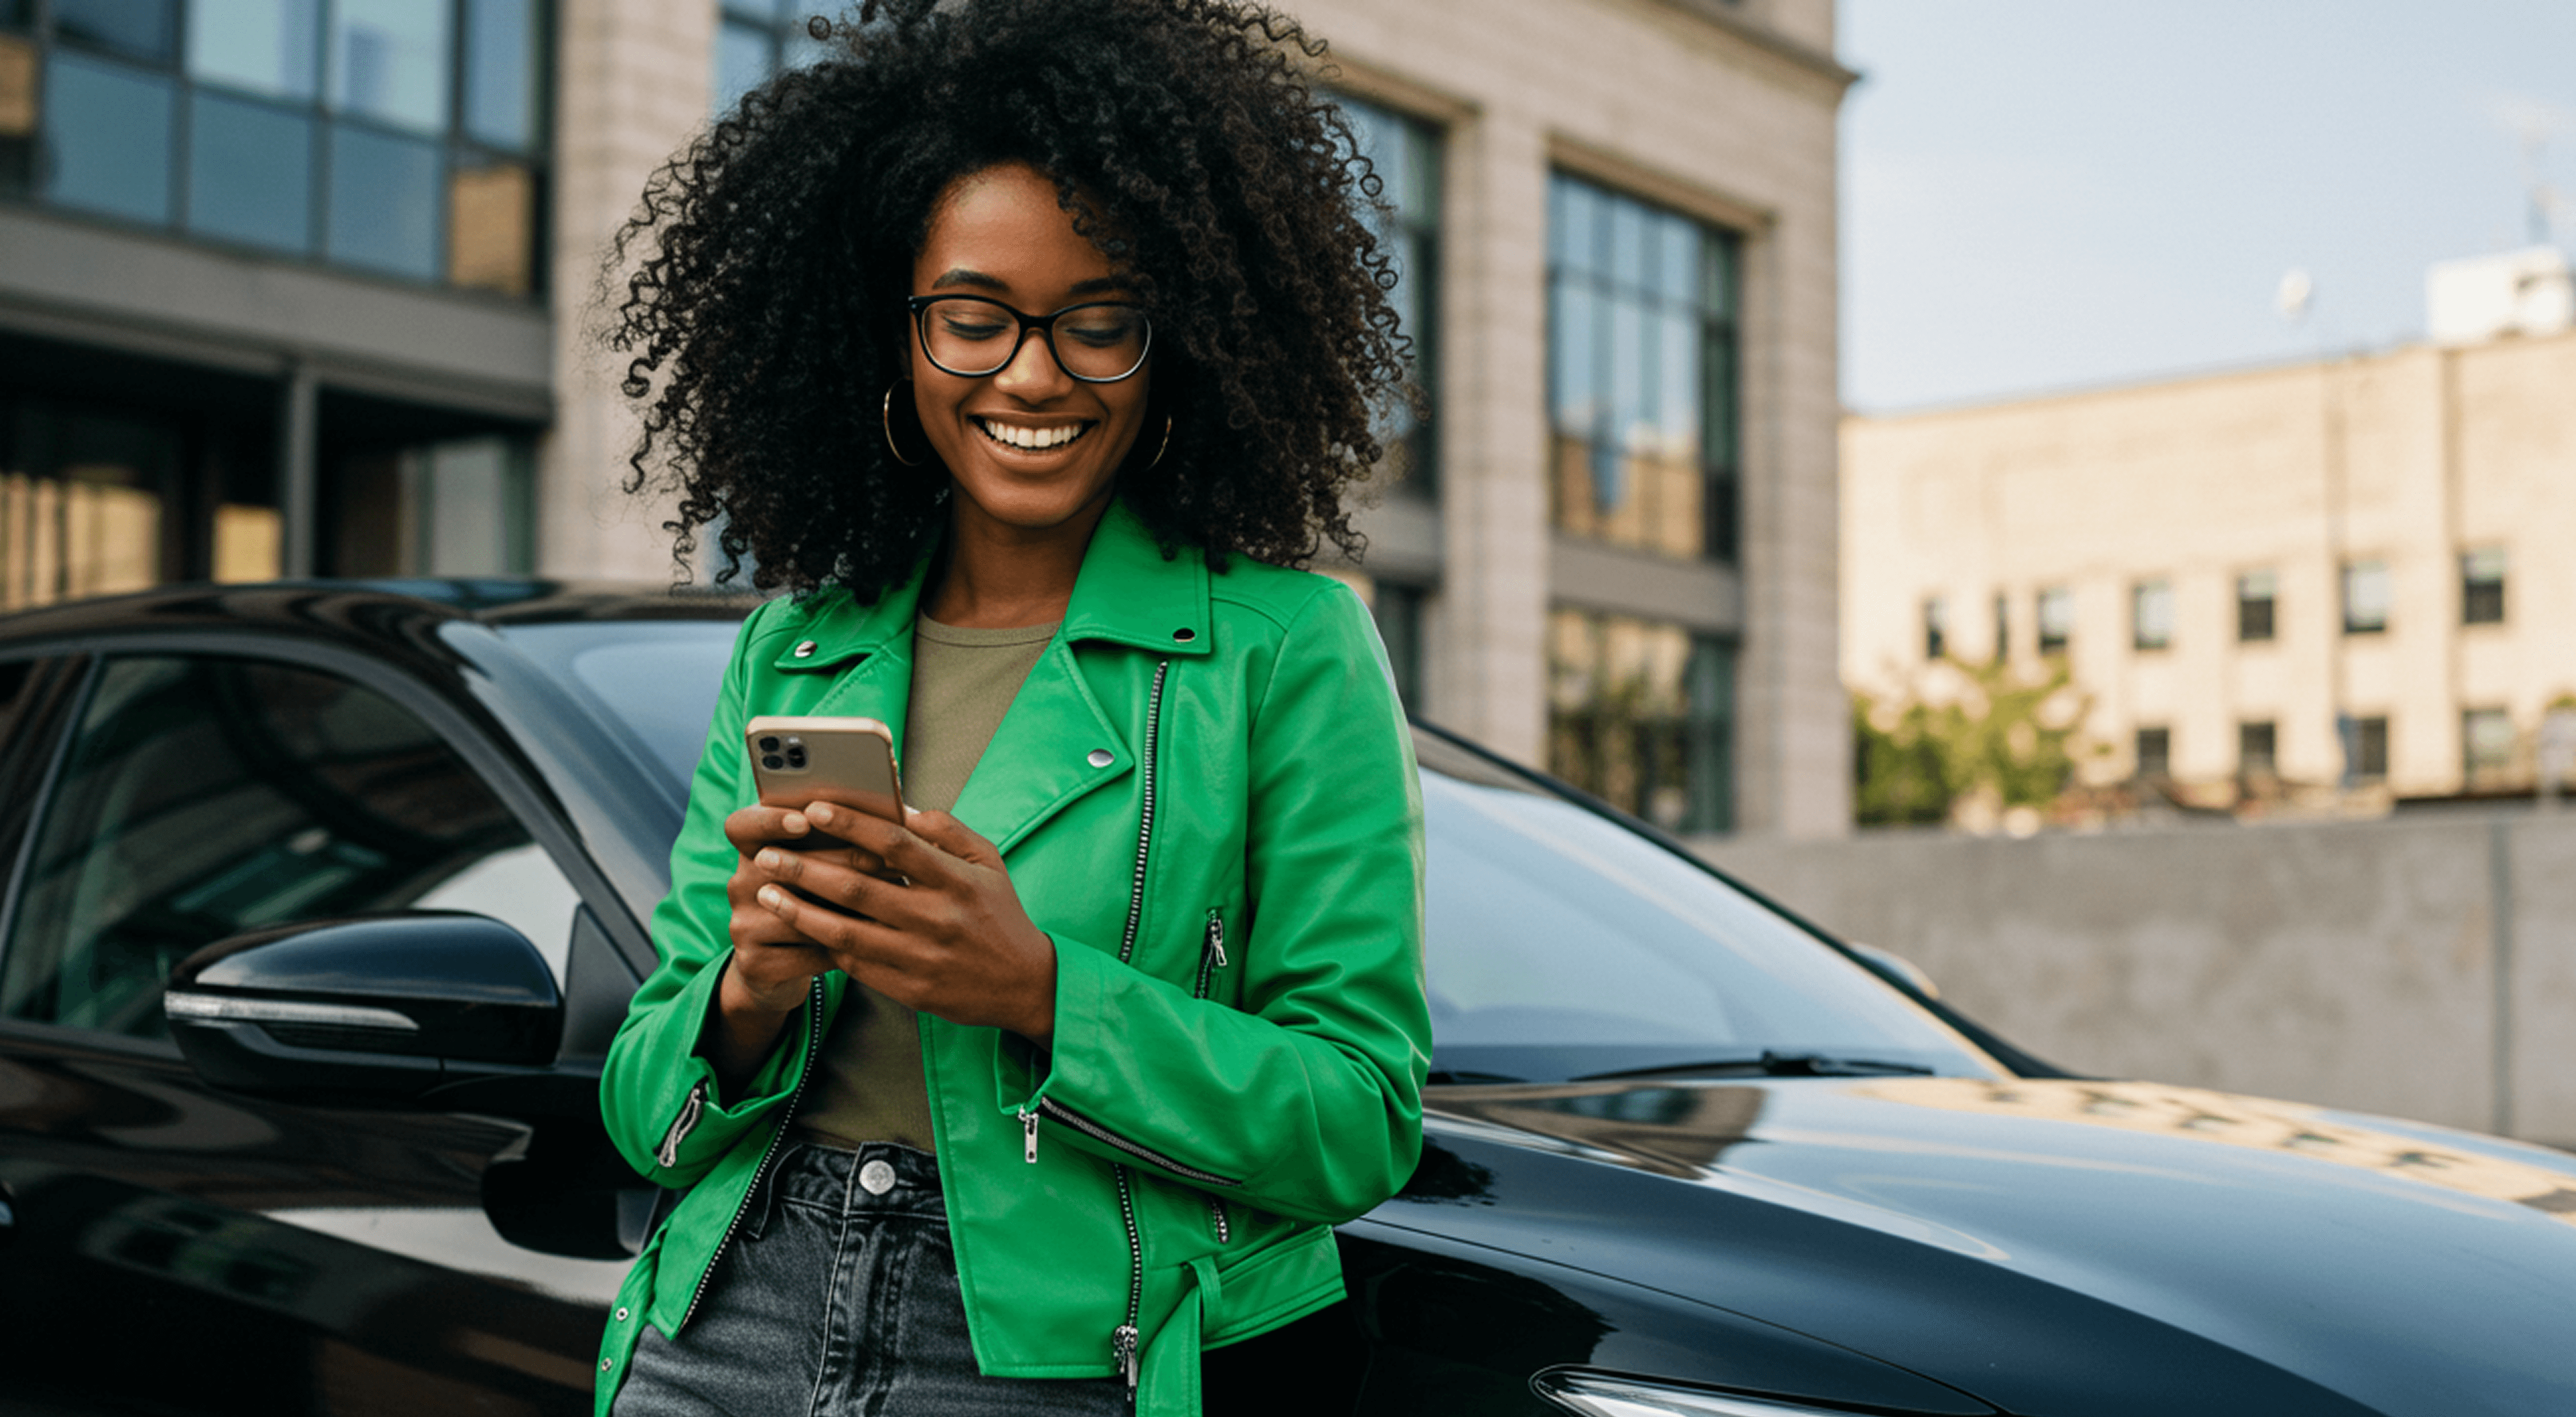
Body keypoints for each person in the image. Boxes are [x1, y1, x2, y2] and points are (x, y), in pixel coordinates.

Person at [589, 2, 1430, 1414]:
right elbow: (646, 1116)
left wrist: (1040, 992)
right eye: (973, 319)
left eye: (1098, 323)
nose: (1033, 375)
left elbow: (1359, 1119)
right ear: (896, 338)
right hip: (727, 1319)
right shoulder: (797, 646)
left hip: (1059, 1356)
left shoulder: (1289, 648)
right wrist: (750, 992)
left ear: (1180, 347)